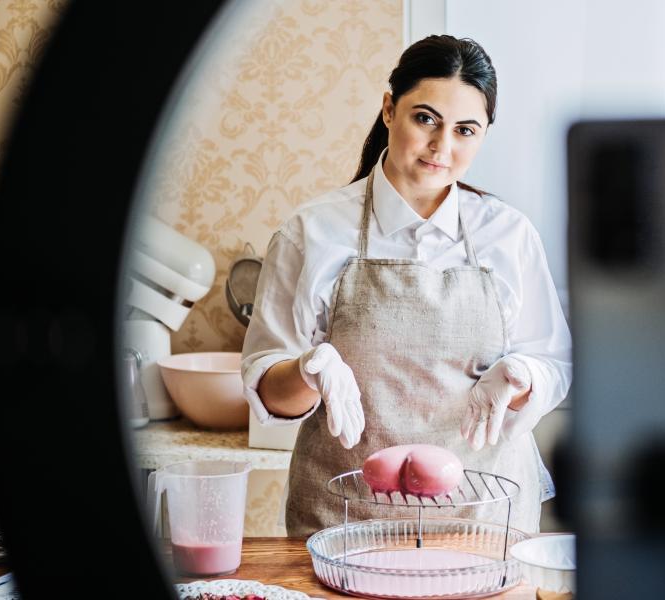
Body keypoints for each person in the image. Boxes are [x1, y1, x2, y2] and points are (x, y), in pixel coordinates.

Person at [241, 35, 571, 536]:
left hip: (484, 524)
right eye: (425, 119)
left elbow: (555, 363)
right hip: (344, 523)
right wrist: (310, 369)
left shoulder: (509, 234)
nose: (443, 147)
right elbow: (269, 391)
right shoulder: (311, 232)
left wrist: (522, 377)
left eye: (465, 130)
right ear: (389, 110)